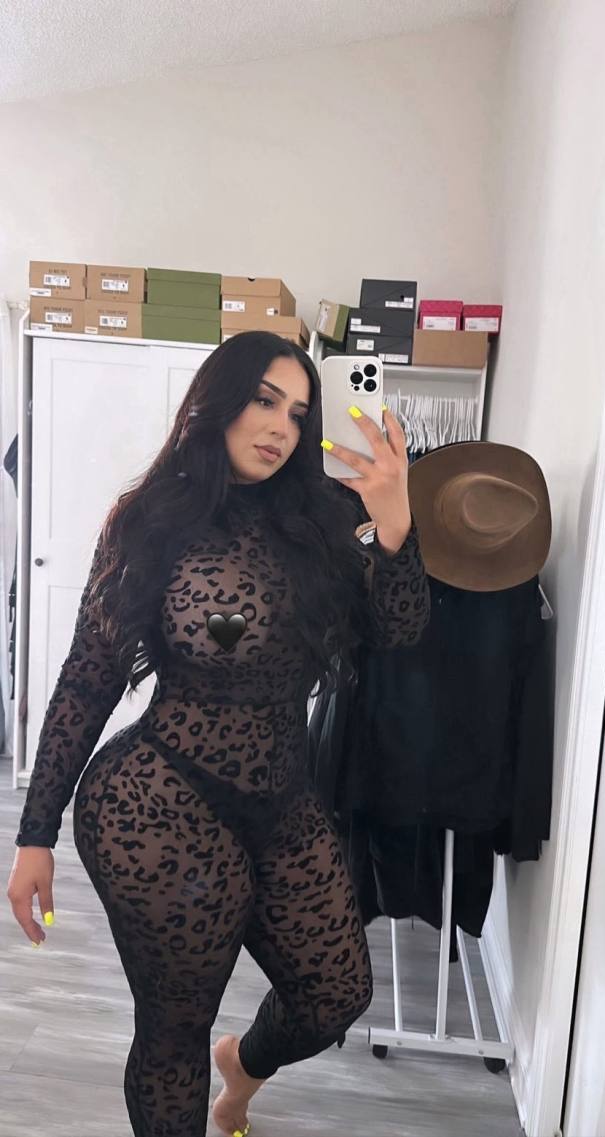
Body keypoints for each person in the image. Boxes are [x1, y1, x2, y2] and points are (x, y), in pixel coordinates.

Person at [6, 330, 430, 1137]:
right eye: (264, 400)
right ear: (218, 399)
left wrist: (397, 528)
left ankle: (243, 1068)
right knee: (175, 1028)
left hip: (283, 798)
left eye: (298, 413)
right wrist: (35, 833)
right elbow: (89, 676)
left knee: (335, 992)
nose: (280, 427)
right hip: (157, 802)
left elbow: (400, 632)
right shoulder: (149, 521)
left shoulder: (331, 516)